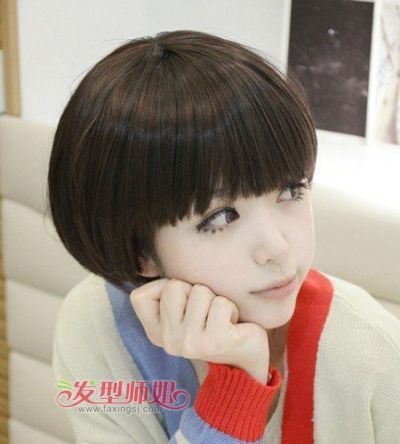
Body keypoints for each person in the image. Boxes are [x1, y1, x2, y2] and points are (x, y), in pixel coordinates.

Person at [47, 30, 400, 443]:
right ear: (140, 251)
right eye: (221, 217)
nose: (277, 248)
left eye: (291, 190)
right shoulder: (96, 326)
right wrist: (235, 394)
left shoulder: (372, 353)